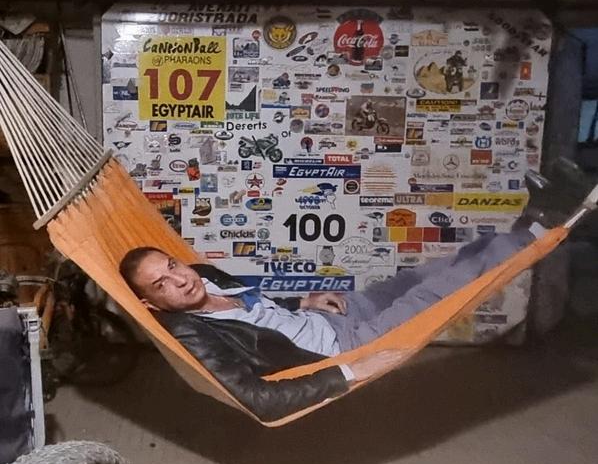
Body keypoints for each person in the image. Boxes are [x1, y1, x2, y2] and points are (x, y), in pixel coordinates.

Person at [119, 165, 592, 422]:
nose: (180, 280)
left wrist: (300, 302)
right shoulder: (191, 334)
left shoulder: (204, 275)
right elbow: (258, 400)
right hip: (346, 345)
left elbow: (256, 310)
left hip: (333, 316)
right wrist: (350, 371)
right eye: (162, 285)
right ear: (149, 304)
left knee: (430, 271)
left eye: (172, 266)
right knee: (445, 291)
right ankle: (542, 230)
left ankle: (532, 221)